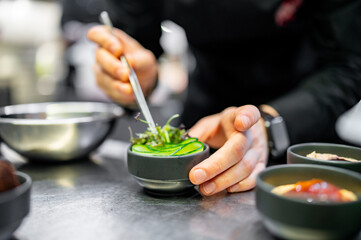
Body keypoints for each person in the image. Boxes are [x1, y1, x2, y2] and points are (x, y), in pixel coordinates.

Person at [87, 0, 361, 196]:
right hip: (202, 129)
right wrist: (134, 80)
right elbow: (134, 42)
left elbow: (349, 64)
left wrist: (268, 125)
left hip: (301, 123)